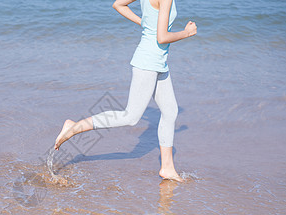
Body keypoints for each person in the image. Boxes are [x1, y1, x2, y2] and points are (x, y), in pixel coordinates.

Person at [54, 0, 197, 182]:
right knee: (131, 117)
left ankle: (167, 168)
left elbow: (118, 5)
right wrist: (187, 33)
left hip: (158, 62)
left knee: (170, 111)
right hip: (148, 63)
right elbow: (162, 38)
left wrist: (144, 23)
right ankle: (74, 127)